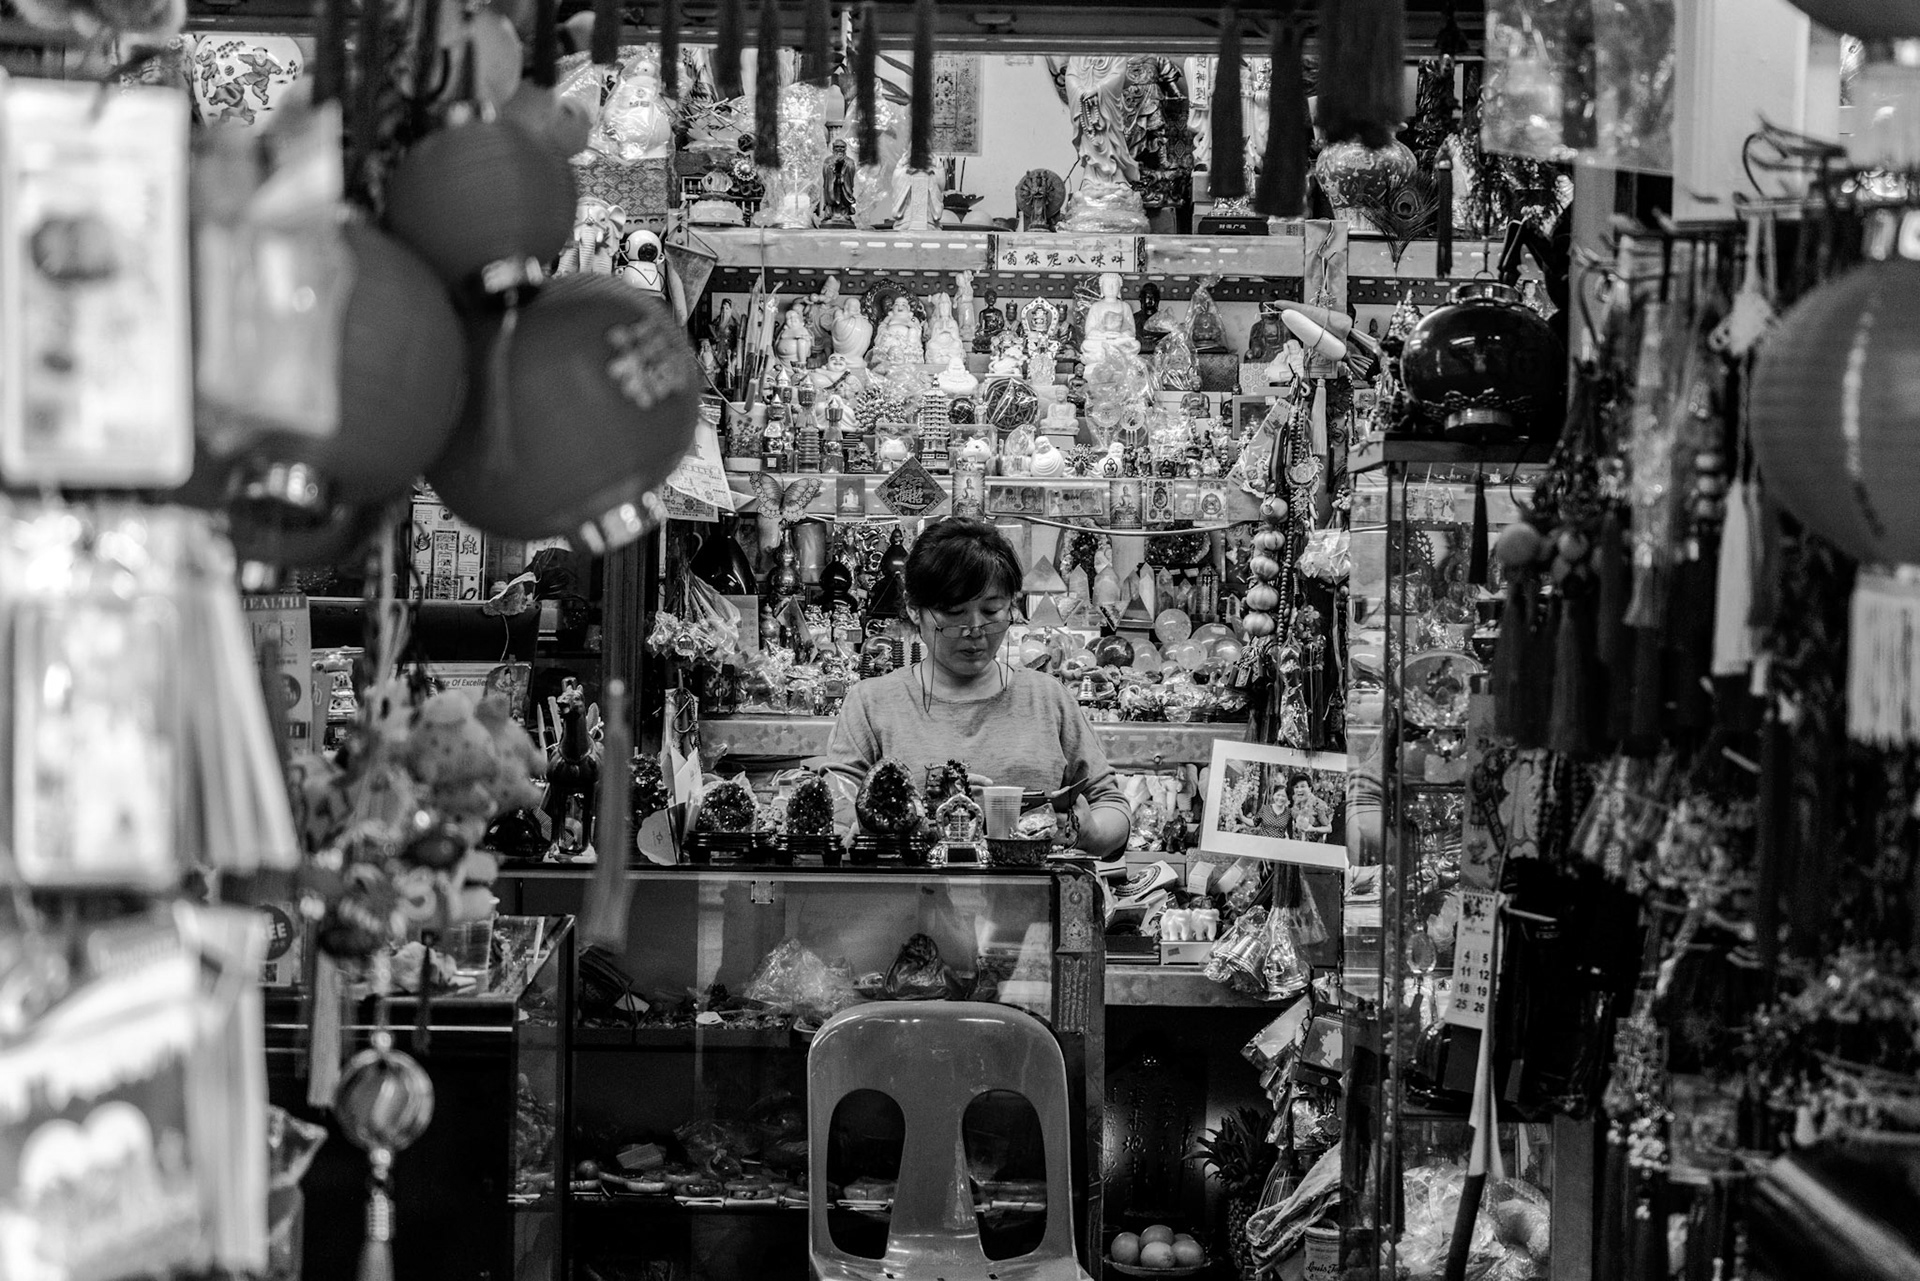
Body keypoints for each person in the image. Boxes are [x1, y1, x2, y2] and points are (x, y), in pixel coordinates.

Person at [823, 518, 1131, 856]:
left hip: (1031, 890)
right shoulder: (872, 704)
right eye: (954, 612)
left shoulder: (1047, 698)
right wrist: (911, 817)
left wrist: (1084, 830)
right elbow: (834, 816)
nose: (975, 629)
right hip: (911, 890)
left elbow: (1111, 806)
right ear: (913, 608)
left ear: (1011, 604)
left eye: (991, 610)